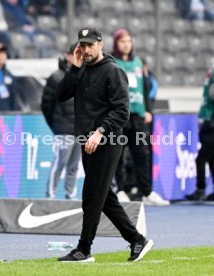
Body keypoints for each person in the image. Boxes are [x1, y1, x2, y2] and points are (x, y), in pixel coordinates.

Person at [56, 27, 154, 262]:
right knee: (104, 197)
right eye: (83, 45)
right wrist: (75, 67)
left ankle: (84, 249)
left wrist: (100, 132)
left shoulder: (113, 71)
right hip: (87, 140)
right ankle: (136, 239)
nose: (86, 50)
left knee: (91, 196)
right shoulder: (80, 70)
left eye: (90, 45)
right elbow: (61, 95)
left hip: (108, 140)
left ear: (100, 44)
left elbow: (122, 111)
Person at [112, 28, 170, 206]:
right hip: (120, 117)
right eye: (122, 41)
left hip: (138, 118)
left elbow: (146, 89)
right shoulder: (112, 63)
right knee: (118, 156)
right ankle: (120, 189)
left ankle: (147, 192)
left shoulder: (138, 63)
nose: (126, 44)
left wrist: (149, 111)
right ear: (116, 43)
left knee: (142, 155)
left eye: (129, 41)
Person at [41, 43, 81, 200]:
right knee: (61, 162)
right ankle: (49, 195)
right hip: (63, 129)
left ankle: (70, 195)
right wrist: (57, 126)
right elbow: (47, 105)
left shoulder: (84, 75)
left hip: (80, 129)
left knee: (74, 165)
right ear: (68, 55)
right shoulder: (56, 77)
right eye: (75, 54)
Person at [186, 66, 214, 201]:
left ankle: (201, 189)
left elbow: (212, 94)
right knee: (211, 158)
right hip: (209, 119)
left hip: (211, 122)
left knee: (201, 159)